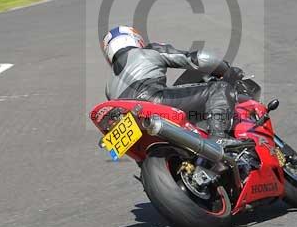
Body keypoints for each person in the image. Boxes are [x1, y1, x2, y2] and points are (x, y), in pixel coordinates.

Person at [102, 26, 244, 141]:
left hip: (132, 121)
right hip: (153, 102)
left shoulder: (109, 85)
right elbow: (200, 59)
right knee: (219, 88)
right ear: (135, 40)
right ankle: (218, 138)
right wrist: (226, 69)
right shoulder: (148, 51)